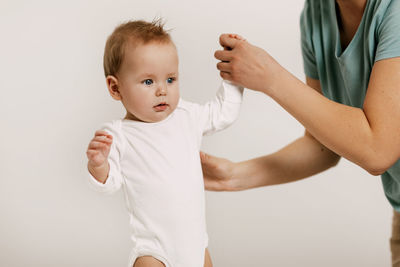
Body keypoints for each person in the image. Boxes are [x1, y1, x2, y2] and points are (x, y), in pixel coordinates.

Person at [201, 0, 400, 265]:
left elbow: (378, 150)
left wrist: (270, 77)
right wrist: (233, 176)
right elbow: (323, 145)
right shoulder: (316, 13)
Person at [85, 20, 243, 267]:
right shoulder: (118, 135)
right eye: (148, 82)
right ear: (116, 88)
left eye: (170, 79)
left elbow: (223, 114)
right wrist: (98, 165)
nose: (162, 90)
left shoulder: (186, 115)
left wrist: (233, 77)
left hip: (196, 245)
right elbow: (109, 184)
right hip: (154, 250)